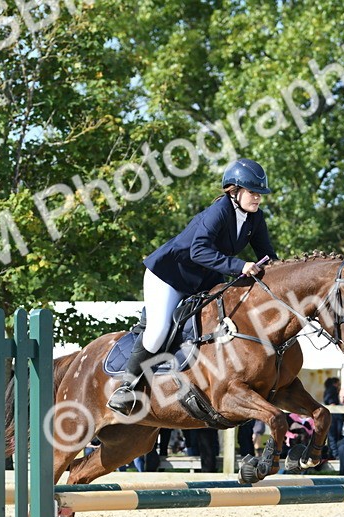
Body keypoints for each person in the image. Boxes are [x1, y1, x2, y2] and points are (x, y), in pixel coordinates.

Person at [108, 158, 279, 413]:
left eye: (260, 193)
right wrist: (240, 265)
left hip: (204, 279)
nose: (258, 198)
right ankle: (126, 386)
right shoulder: (219, 211)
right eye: (253, 192)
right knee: (158, 331)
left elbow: (268, 254)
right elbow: (198, 251)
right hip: (170, 275)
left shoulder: (255, 218)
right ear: (234, 191)